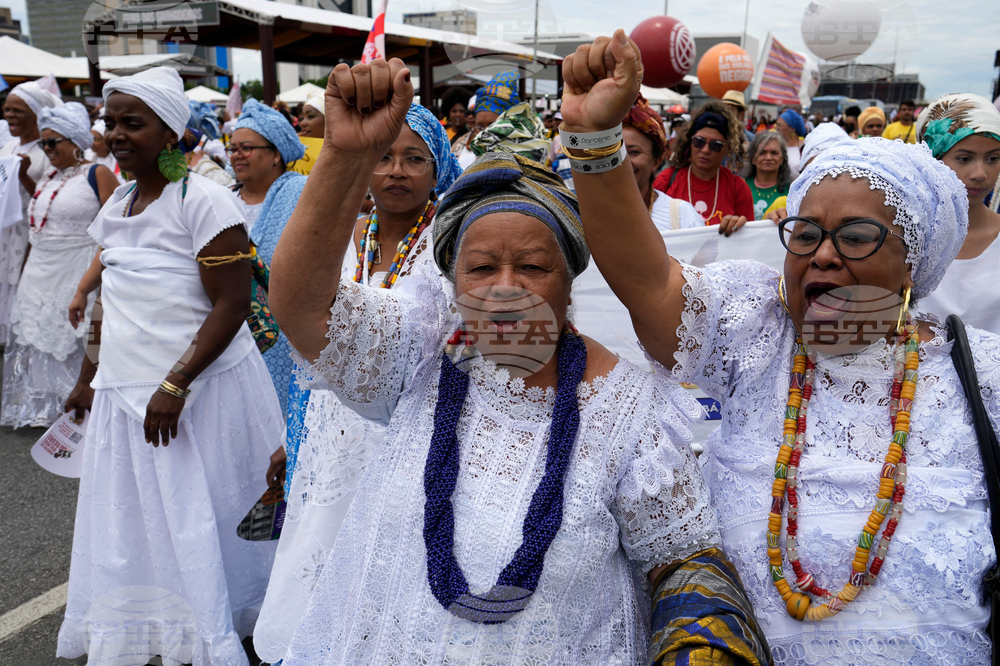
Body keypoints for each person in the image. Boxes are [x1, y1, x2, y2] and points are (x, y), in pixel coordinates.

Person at [268, 57, 770, 666]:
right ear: (451, 282)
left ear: (569, 282)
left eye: (532, 267)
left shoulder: (631, 409)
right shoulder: (416, 358)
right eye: (480, 268)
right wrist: (346, 155)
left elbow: (684, 559)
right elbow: (298, 306)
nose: (505, 288)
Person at [563, 31, 998, 664]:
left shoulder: (977, 374)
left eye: (855, 236)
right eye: (807, 233)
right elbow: (648, 279)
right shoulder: (754, 330)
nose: (823, 253)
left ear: (914, 264)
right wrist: (592, 137)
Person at [56, 66, 281, 666]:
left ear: (172, 131)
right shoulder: (122, 201)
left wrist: (175, 383)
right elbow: (112, 299)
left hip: (201, 395)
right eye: (112, 123)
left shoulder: (204, 199)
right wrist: (87, 380)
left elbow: (233, 302)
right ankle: (164, 621)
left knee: (205, 510)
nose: (118, 134)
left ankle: (227, 623)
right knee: (142, 521)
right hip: (128, 395)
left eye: (134, 122)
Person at [253, 101, 462, 664]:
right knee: (321, 540)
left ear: (438, 167)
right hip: (330, 430)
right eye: (383, 156)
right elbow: (308, 341)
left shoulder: (453, 241)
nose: (396, 170)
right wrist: (290, 437)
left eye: (414, 159)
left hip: (406, 428)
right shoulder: (342, 234)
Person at [0, 102, 117, 428]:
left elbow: (117, 223)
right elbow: (46, 208)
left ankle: (81, 405)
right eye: (44, 143)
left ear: (75, 141)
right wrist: (24, 177)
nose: (47, 149)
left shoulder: (97, 173)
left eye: (53, 142)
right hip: (39, 269)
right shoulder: (52, 175)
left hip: (75, 267)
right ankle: (46, 408)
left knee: (69, 336)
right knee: (37, 335)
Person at [230, 98, 308, 414]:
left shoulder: (302, 193)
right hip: (229, 331)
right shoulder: (222, 199)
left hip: (287, 332)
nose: (235, 155)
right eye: (231, 148)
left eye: (245, 147)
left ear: (275, 153)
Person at [916, 93, 1000, 333]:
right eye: (964, 158)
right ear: (932, 159)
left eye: (993, 158)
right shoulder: (904, 237)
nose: (980, 173)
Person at [0, 82, 61, 341]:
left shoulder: (47, 151)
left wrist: (24, 175)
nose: (9, 115)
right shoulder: (8, 148)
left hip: (29, 232)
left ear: (36, 114)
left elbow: (52, 199)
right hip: (5, 230)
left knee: (21, 282)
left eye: (18, 111)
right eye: (6, 110)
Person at [652, 101, 754, 232]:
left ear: (728, 148)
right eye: (699, 141)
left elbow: (748, 242)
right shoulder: (666, 180)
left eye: (716, 145)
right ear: (690, 142)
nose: (705, 150)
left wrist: (739, 228)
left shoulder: (738, 189)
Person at [621, 94, 701, 230]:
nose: (623, 161)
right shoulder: (590, 211)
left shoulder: (681, 215)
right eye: (616, 152)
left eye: (634, 152)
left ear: (657, 161)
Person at [453, 71, 520, 170]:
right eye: (479, 126)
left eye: (492, 126)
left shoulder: (522, 154)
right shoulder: (461, 144)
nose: (484, 134)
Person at [743, 131, 793, 219]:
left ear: (782, 159)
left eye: (774, 153)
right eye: (762, 153)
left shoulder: (792, 191)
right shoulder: (740, 187)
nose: (768, 158)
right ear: (753, 158)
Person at [84, 118, 123, 182]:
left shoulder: (118, 160)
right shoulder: (86, 156)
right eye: (91, 139)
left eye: (96, 139)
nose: (92, 142)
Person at [774, 109, 806, 178]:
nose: (777, 128)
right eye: (776, 124)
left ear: (792, 129)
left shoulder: (805, 148)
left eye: (780, 125)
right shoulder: (775, 146)